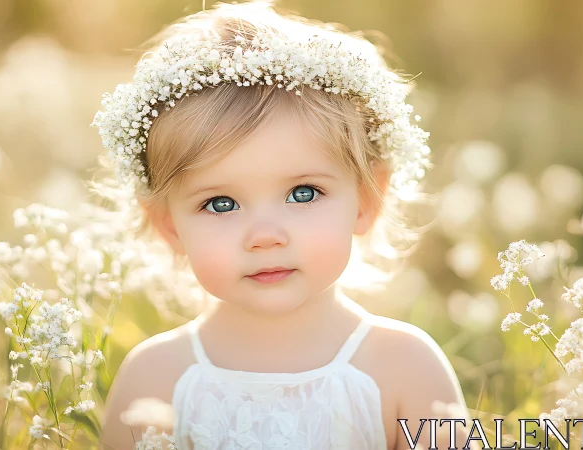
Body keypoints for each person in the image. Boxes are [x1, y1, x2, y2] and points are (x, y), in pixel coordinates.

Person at [96, 1, 472, 448]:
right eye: (220, 203)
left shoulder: (405, 368)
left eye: (303, 194)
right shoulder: (154, 377)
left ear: (367, 198)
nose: (265, 235)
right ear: (169, 226)